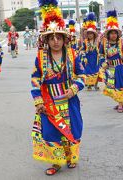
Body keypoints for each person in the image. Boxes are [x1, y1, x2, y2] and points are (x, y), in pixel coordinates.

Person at [31, 0, 85, 175]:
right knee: (51, 132)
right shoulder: (40, 57)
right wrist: (38, 101)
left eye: (59, 37)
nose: (55, 41)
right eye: (51, 38)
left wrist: (74, 89)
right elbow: (35, 79)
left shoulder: (72, 54)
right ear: (46, 39)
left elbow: (82, 76)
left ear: (64, 39)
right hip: (49, 101)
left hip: (69, 99)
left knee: (72, 128)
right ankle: (55, 162)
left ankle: (70, 157)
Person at [99, 10, 123, 113]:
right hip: (110, 69)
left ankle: (120, 104)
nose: (113, 35)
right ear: (108, 34)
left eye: (115, 33)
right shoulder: (104, 44)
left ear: (117, 34)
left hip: (120, 68)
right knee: (113, 87)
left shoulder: (122, 43)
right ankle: (119, 102)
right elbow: (101, 55)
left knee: (120, 86)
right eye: (111, 33)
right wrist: (103, 64)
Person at [81, 13, 100, 91]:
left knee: (96, 71)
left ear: (94, 34)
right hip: (88, 59)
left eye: (91, 33)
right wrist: (84, 57)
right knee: (88, 72)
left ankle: (95, 84)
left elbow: (101, 50)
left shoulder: (97, 42)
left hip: (95, 58)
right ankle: (89, 85)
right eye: (88, 34)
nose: (90, 35)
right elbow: (82, 50)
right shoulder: (85, 41)